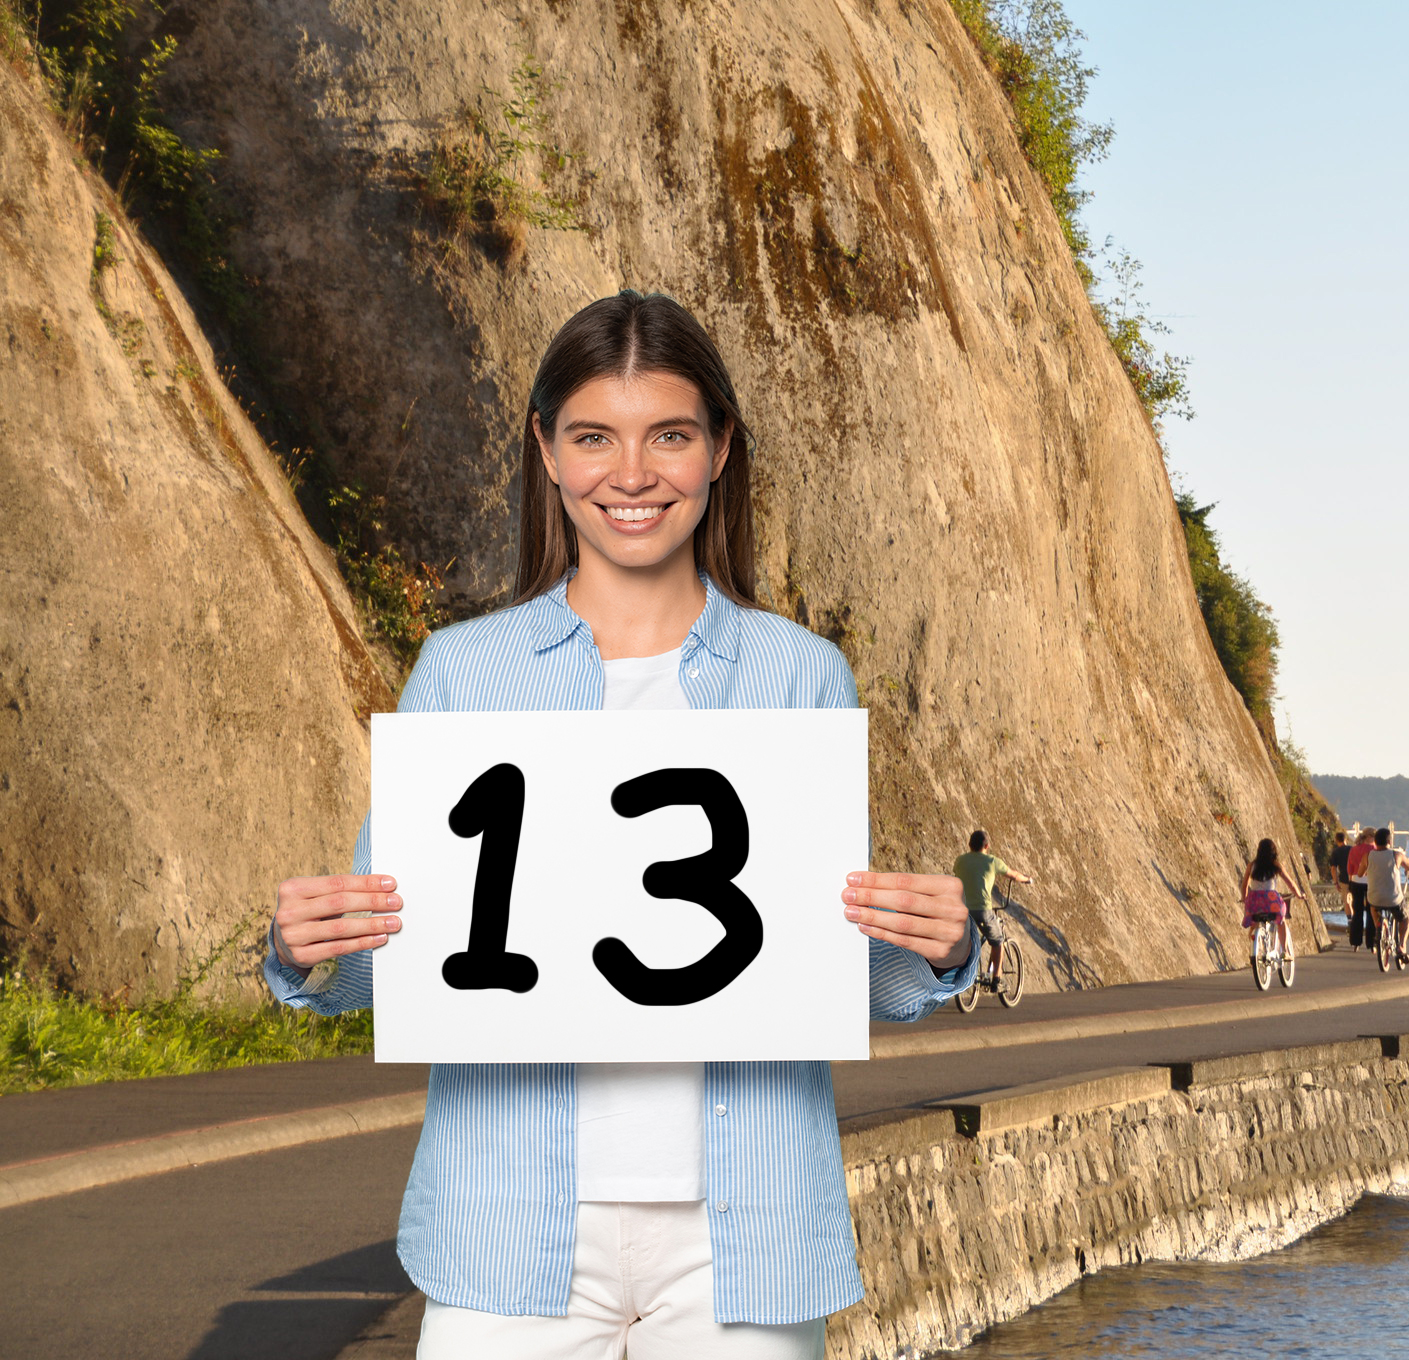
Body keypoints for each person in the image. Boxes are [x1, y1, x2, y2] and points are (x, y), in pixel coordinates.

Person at [265, 291, 975, 1359]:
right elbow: (394, 971)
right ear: (546, 450)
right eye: (594, 436)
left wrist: (938, 945)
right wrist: (305, 949)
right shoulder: (464, 673)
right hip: (508, 1221)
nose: (631, 474)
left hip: (744, 1230)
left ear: (719, 450)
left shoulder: (798, 676)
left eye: (670, 436)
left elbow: (823, 973)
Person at [953, 830, 1030, 986]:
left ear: (969, 845)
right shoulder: (992, 862)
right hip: (982, 910)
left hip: (961, 911)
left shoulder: (960, 861)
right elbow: (1014, 875)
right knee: (997, 941)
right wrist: (1027, 879)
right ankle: (996, 977)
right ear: (987, 846)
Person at [1239, 837, 1303, 964]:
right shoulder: (1276, 865)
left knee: (1255, 921)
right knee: (1281, 920)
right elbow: (1290, 883)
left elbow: (1245, 884)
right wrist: (1299, 894)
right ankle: (1285, 951)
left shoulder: (1252, 865)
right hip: (1271, 901)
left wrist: (1244, 898)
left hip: (1254, 901)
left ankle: (1254, 948)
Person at [1365, 827, 1409, 966]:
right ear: (1390, 841)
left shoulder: (1368, 856)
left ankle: (1378, 925)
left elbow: (1360, 872)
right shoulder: (1397, 855)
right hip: (1393, 899)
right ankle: (1401, 945)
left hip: (1374, 898)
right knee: (1406, 919)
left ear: (1375, 842)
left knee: (1373, 907)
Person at [1345, 829, 1377, 952]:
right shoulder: (1374, 850)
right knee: (1371, 913)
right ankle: (1371, 943)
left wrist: (1349, 884)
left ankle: (1355, 942)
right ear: (1371, 837)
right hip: (1371, 882)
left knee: (1357, 913)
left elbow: (1349, 868)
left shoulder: (1354, 849)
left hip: (1355, 881)